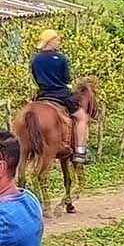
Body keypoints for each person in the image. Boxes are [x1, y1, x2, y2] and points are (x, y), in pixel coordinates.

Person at [30, 29, 89, 163]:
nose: (58, 42)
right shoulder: (61, 58)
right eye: (57, 40)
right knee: (82, 117)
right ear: (50, 41)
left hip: (43, 94)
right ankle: (80, 151)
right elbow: (66, 78)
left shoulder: (35, 59)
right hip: (61, 95)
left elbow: (35, 77)